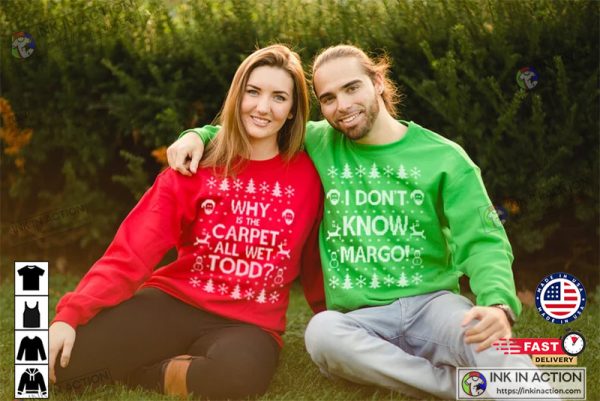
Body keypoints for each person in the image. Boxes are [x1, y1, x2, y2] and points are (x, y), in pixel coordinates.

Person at [167, 44, 541, 399]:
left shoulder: (444, 158)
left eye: (351, 88)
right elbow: (257, 127)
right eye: (328, 98)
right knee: (322, 333)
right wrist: (198, 135)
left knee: (487, 338)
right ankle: (451, 387)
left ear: (378, 82)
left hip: (433, 306)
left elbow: (483, 239)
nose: (342, 106)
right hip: (359, 320)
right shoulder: (319, 142)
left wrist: (497, 304)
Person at [49, 44, 325, 400]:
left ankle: (150, 371)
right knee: (55, 365)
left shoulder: (310, 176)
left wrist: (329, 320)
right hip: (175, 303)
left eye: (279, 97)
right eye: (253, 92)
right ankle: (172, 358)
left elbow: (319, 260)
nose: (262, 107)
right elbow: (133, 249)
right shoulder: (196, 166)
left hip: (249, 325)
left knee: (237, 380)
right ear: (236, 96)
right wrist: (69, 315)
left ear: (291, 111)